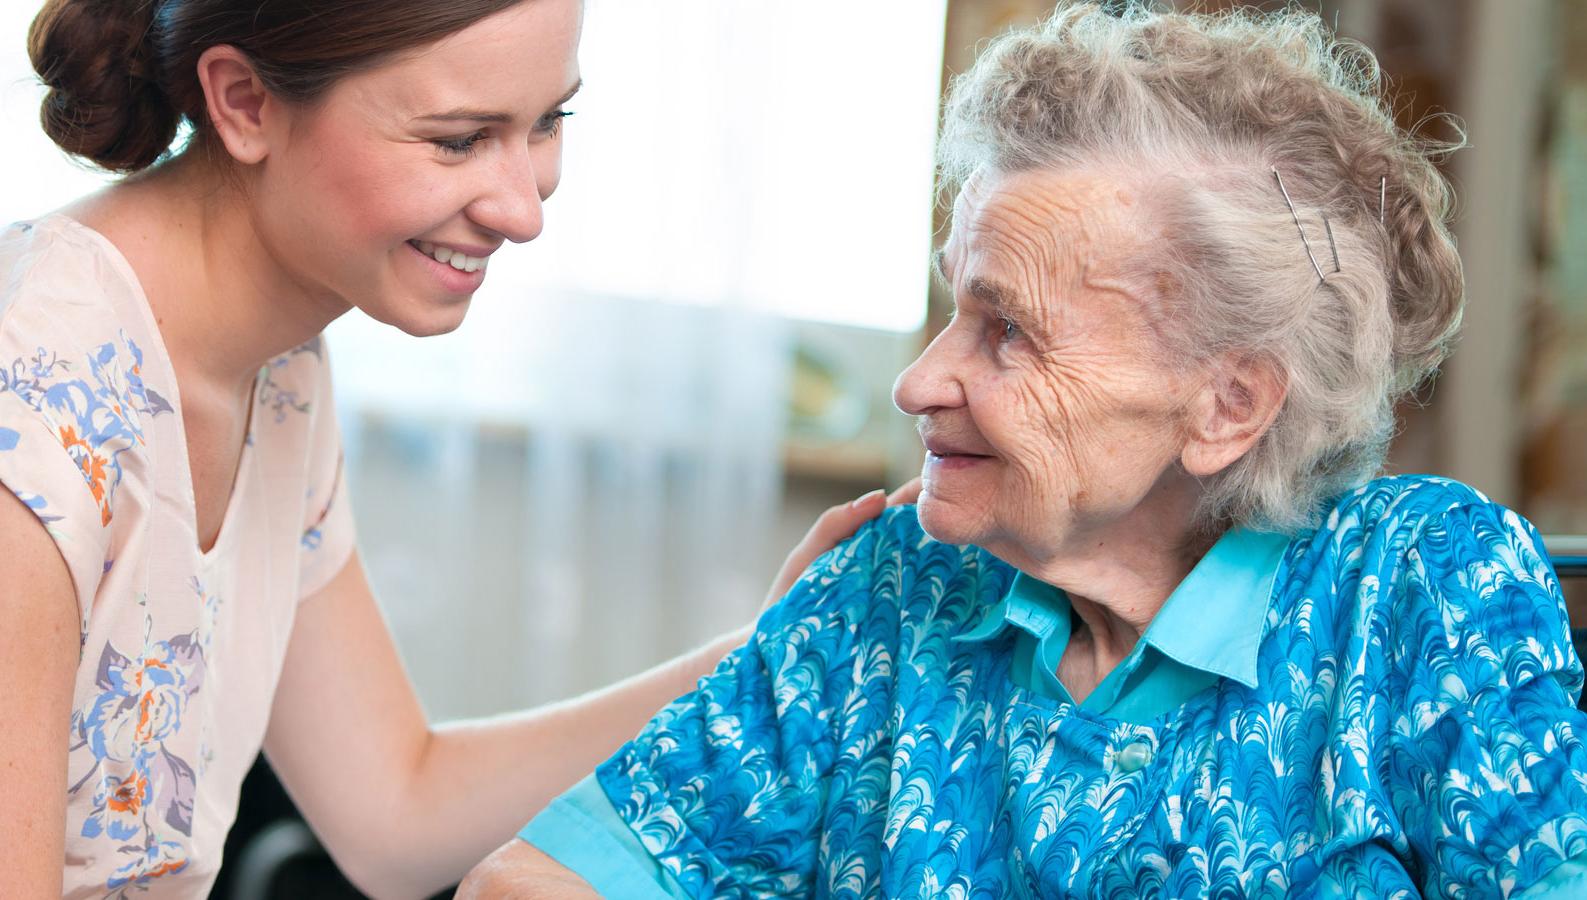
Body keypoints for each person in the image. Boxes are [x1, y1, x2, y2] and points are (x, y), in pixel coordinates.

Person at [460, 3, 1587, 897]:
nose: (920, 383)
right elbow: (528, 882)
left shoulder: (1416, 586)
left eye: (1008, 332)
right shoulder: (892, 581)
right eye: (954, 310)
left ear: (1225, 407)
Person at [0, 0, 912, 895]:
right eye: (457, 140)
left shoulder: (277, 372)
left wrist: (771, 651)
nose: (524, 211)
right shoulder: (34, 399)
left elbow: (397, 814)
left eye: (548, 121)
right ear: (244, 102)